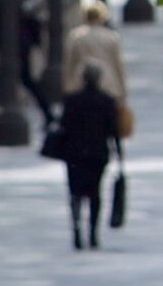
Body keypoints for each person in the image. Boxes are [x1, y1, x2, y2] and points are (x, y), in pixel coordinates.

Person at [49, 74, 120, 249]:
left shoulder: (71, 100)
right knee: (95, 194)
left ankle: (76, 231)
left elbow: (63, 125)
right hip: (98, 154)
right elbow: (113, 130)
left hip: (74, 155)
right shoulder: (107, 101)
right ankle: (93, 233)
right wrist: (119, 154)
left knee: (75, 193)